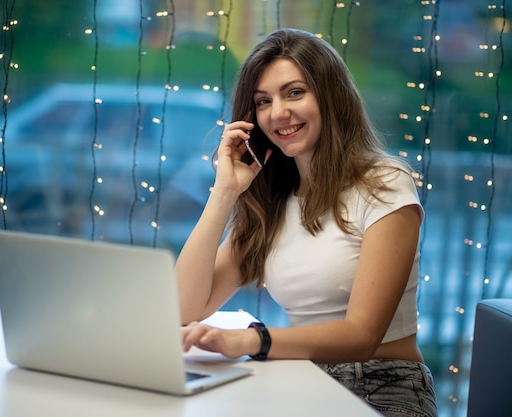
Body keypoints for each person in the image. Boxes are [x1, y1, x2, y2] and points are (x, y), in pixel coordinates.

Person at [175, 28, 437, 417]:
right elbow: (185, 308)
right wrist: (224, 193)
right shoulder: (274, 200)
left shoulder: (384, 184)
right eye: (263, 101)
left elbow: (362, 336)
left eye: (294, 92)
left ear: (330, 98)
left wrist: (250, 341)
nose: (278, 112)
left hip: (382, 385)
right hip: (296, 380)